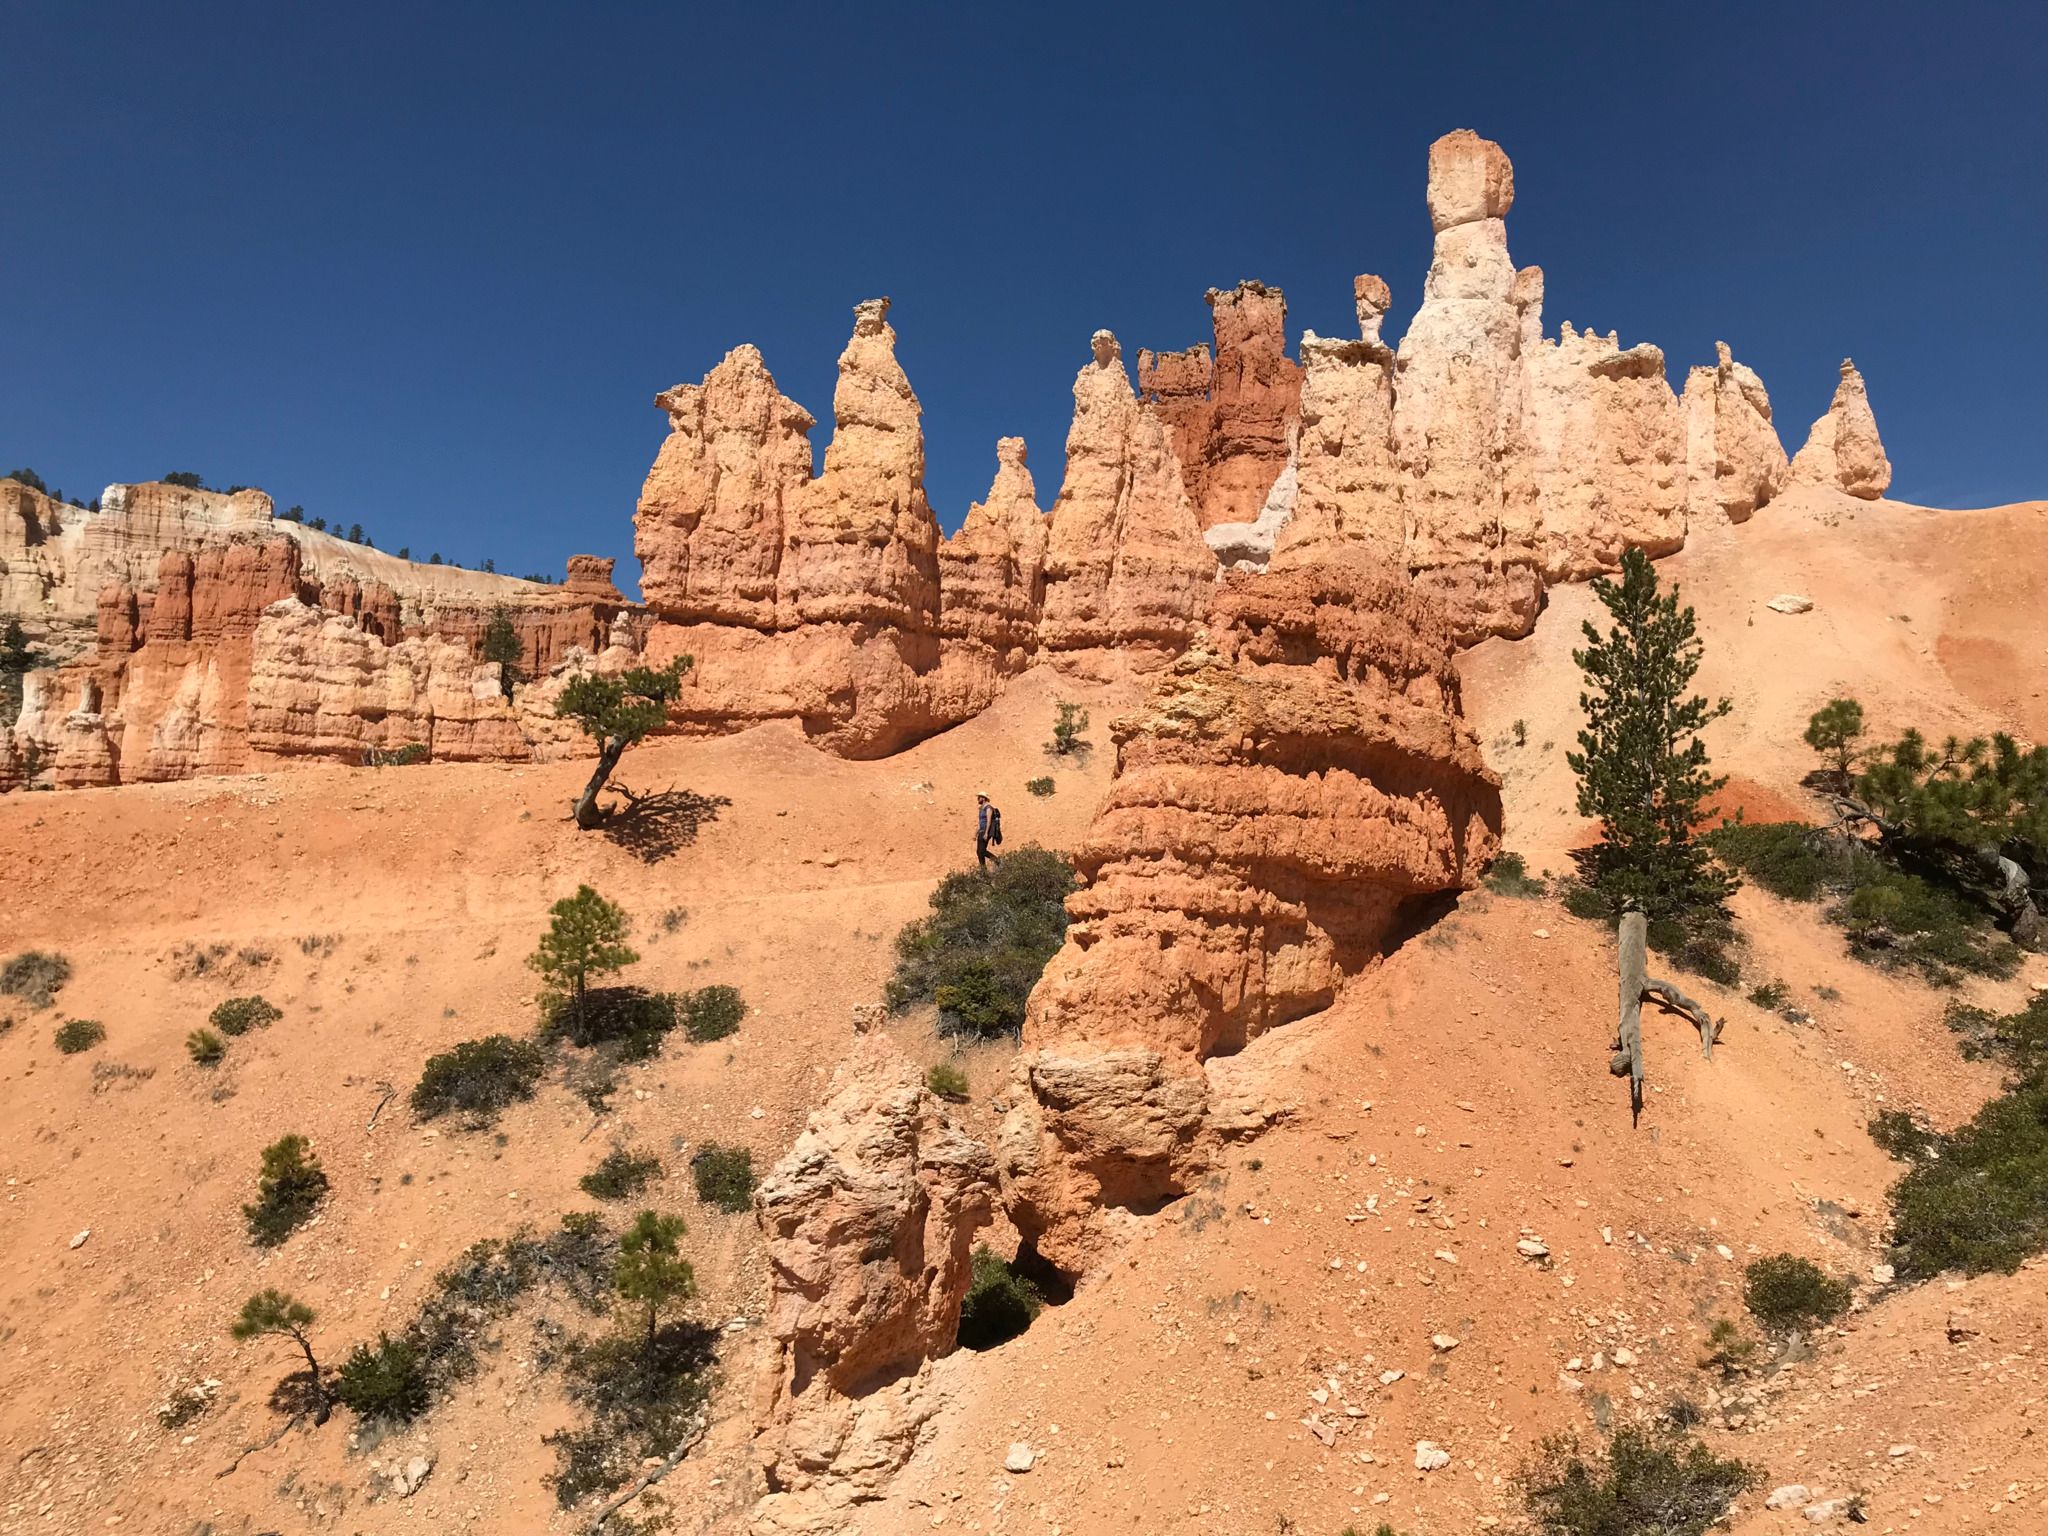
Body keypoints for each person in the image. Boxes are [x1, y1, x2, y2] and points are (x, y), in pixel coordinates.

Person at [975, 792, 1003, 871]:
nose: (978, 799)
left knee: (982, 851)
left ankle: (997, 861)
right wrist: (975, 833)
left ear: (983, 798)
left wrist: (986, 833)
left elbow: (989, 821)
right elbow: (980, 822)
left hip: (985, 831)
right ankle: (983, 870)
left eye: (979, 797)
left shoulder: (988, 808)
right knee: (979, 851)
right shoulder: (981, 809)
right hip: (981, 831)